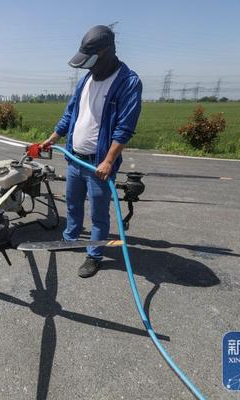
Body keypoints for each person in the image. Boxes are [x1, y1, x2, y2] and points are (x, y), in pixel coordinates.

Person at [41, 25, 142, 278]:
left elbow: (124, 128)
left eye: (91, 61)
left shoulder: (128, 82)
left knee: (98, 214)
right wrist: (53, 137)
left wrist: (109, 161)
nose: (88, 67)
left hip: (98, 165)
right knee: (73, 205)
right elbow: (70, 112)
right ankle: (69, 238)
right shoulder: (86, 79)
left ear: (106, 53)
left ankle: (94, 255)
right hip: (75, 159)